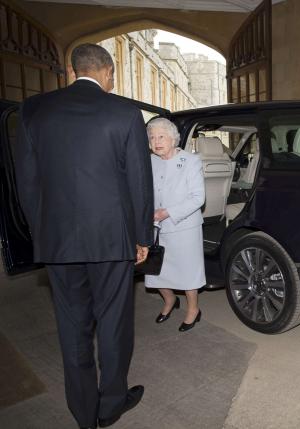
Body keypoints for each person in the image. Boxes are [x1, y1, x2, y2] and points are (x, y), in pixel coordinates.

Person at [13, 44, 153, 428]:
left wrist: (40, 231)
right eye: (113, 75)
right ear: (106, 71)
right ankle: (111, 404)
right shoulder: (125, 112)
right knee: (113, 322)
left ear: (73, 71)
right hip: (112, 240)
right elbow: (140, 181)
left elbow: (26, 182)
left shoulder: (34, 111)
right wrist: (142, 236)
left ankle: (82, 411)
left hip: (57, 241)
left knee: (72, 326)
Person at [145, 117, 206, 331]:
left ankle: (193, 309)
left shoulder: (191, 161)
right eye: (152, 137)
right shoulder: (150, 161)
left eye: (161, 136)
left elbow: (198, 198)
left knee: (187, 271)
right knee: (155, 270)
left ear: (174, 139)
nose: (156, 141)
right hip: (156, 226)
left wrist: (168, 212)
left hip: (184, 227)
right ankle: (170, 301)